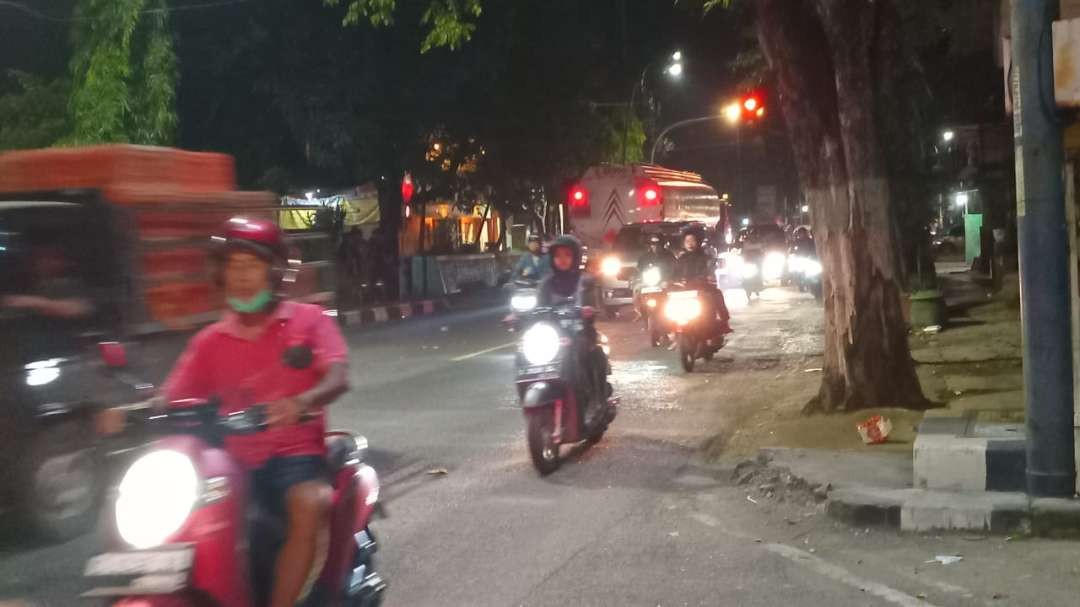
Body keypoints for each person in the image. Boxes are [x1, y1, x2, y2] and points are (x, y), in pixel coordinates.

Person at [162, 219, 349, 607]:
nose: (242, 276)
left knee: (306, 503)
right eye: (233, 266)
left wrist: (303, 401)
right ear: (221, 275)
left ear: (275, 273)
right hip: (230, 462)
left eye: (252, 265)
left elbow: (337, 375)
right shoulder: (209, 341)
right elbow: (172, 397)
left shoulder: (309, 321)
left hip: (296, 456)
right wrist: (129, 412)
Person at [1, 244, 93, 320]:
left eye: (51, 259)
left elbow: (81, 307)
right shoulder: (23, 282)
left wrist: (33, 302)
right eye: (40, 258)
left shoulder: (70, 284)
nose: (44, 262)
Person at [672, 228, 732, 335]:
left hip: (702, 288)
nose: (690, 244)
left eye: (692, 241)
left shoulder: (706, 258)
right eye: (687, 241)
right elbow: (673, 273)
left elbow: (711, 270)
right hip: (684, 290)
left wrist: (708, 277)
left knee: (717, 294)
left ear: (698, 242)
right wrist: (670, 280)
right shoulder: (680, 259)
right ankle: (670, 330)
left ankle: (724, 322)